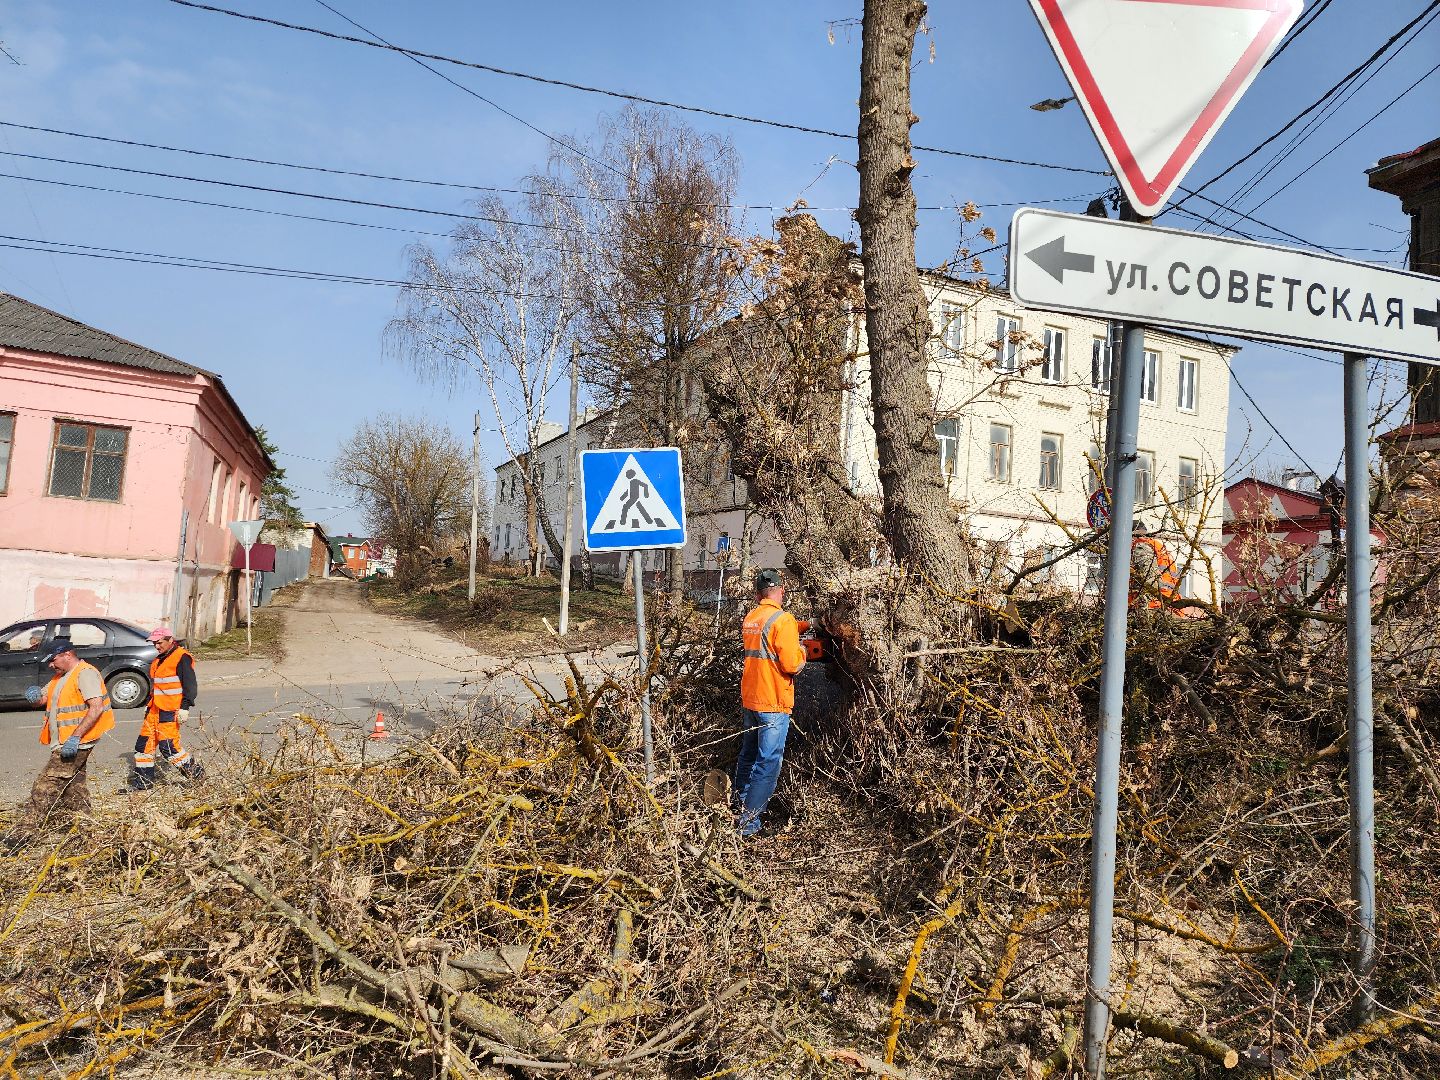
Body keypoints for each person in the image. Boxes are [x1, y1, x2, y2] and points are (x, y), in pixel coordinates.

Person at [7, 640, 116, 847]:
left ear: (67, 654)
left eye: (52, 660)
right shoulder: (61, 676)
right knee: (74, 788)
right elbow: (43, 699)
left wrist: (75, 737)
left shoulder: (85, 673)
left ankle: (23, 835)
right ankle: (88, 831)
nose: (50, 665)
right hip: (66, 741)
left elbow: (96, 708)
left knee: (45, 785)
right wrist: (34, 696)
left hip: (77, 741)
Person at [733, 568, 807, 837]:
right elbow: (790, 663)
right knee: (768, 762)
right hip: (773, 702)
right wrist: (802, 651)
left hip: (751, 699)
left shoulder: (752, 617)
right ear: (781, 591)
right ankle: (749, 825)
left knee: (748, 755)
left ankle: (738, 805)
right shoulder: (783, 620)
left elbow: (770, 631)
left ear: (757, 594)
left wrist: (801, 626)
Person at [131, 627, 202, 790]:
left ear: (170, 640)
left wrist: (185, 706)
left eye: (159, 642)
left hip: (170, 710)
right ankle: (143, 783)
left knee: (169, 748)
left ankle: (196, 775)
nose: (156, 646)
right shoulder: (158, 660)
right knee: (143, 746)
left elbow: (190, 685)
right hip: (154, 710)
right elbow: (157, 687)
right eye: (154, 643)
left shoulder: (181, 657)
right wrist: (149, 704)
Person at [1130, 518, 1180, 609]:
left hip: (1154, 604)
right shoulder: (1156, 546)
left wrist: (1142, 605)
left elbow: (1150, 581)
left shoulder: (1141, 547)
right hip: (1168, 601)